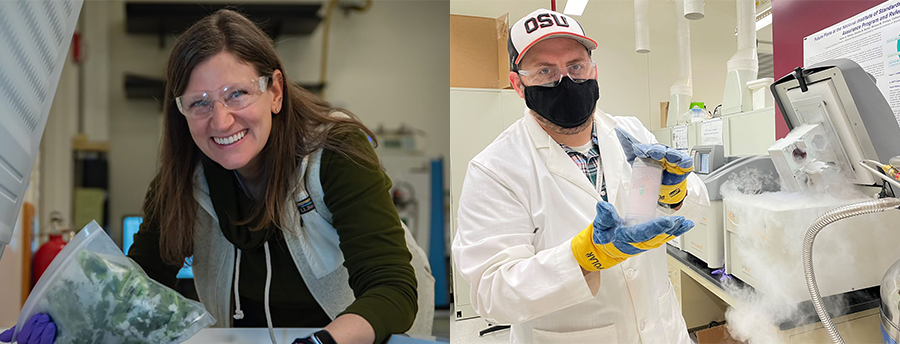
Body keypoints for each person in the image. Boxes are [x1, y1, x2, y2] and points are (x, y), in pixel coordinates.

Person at [1, 9, 433, 344]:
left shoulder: (335, 154)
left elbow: (391, 288)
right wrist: (66, 320)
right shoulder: (182, 183)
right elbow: (138, 287)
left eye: (237, 94)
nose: (221, 121)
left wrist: (321, 341)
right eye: (200, 103)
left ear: (275, 92)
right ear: (181, 112)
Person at [452, 8, 710, 344]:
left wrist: (675, 196)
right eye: (545, 71)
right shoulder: (496, 169)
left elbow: (689, 213)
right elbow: (493, 293)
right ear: (518, 83)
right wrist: (585, 256)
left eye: (575, 66)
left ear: (593, 70)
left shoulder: (631, 132)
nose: (566, 81)